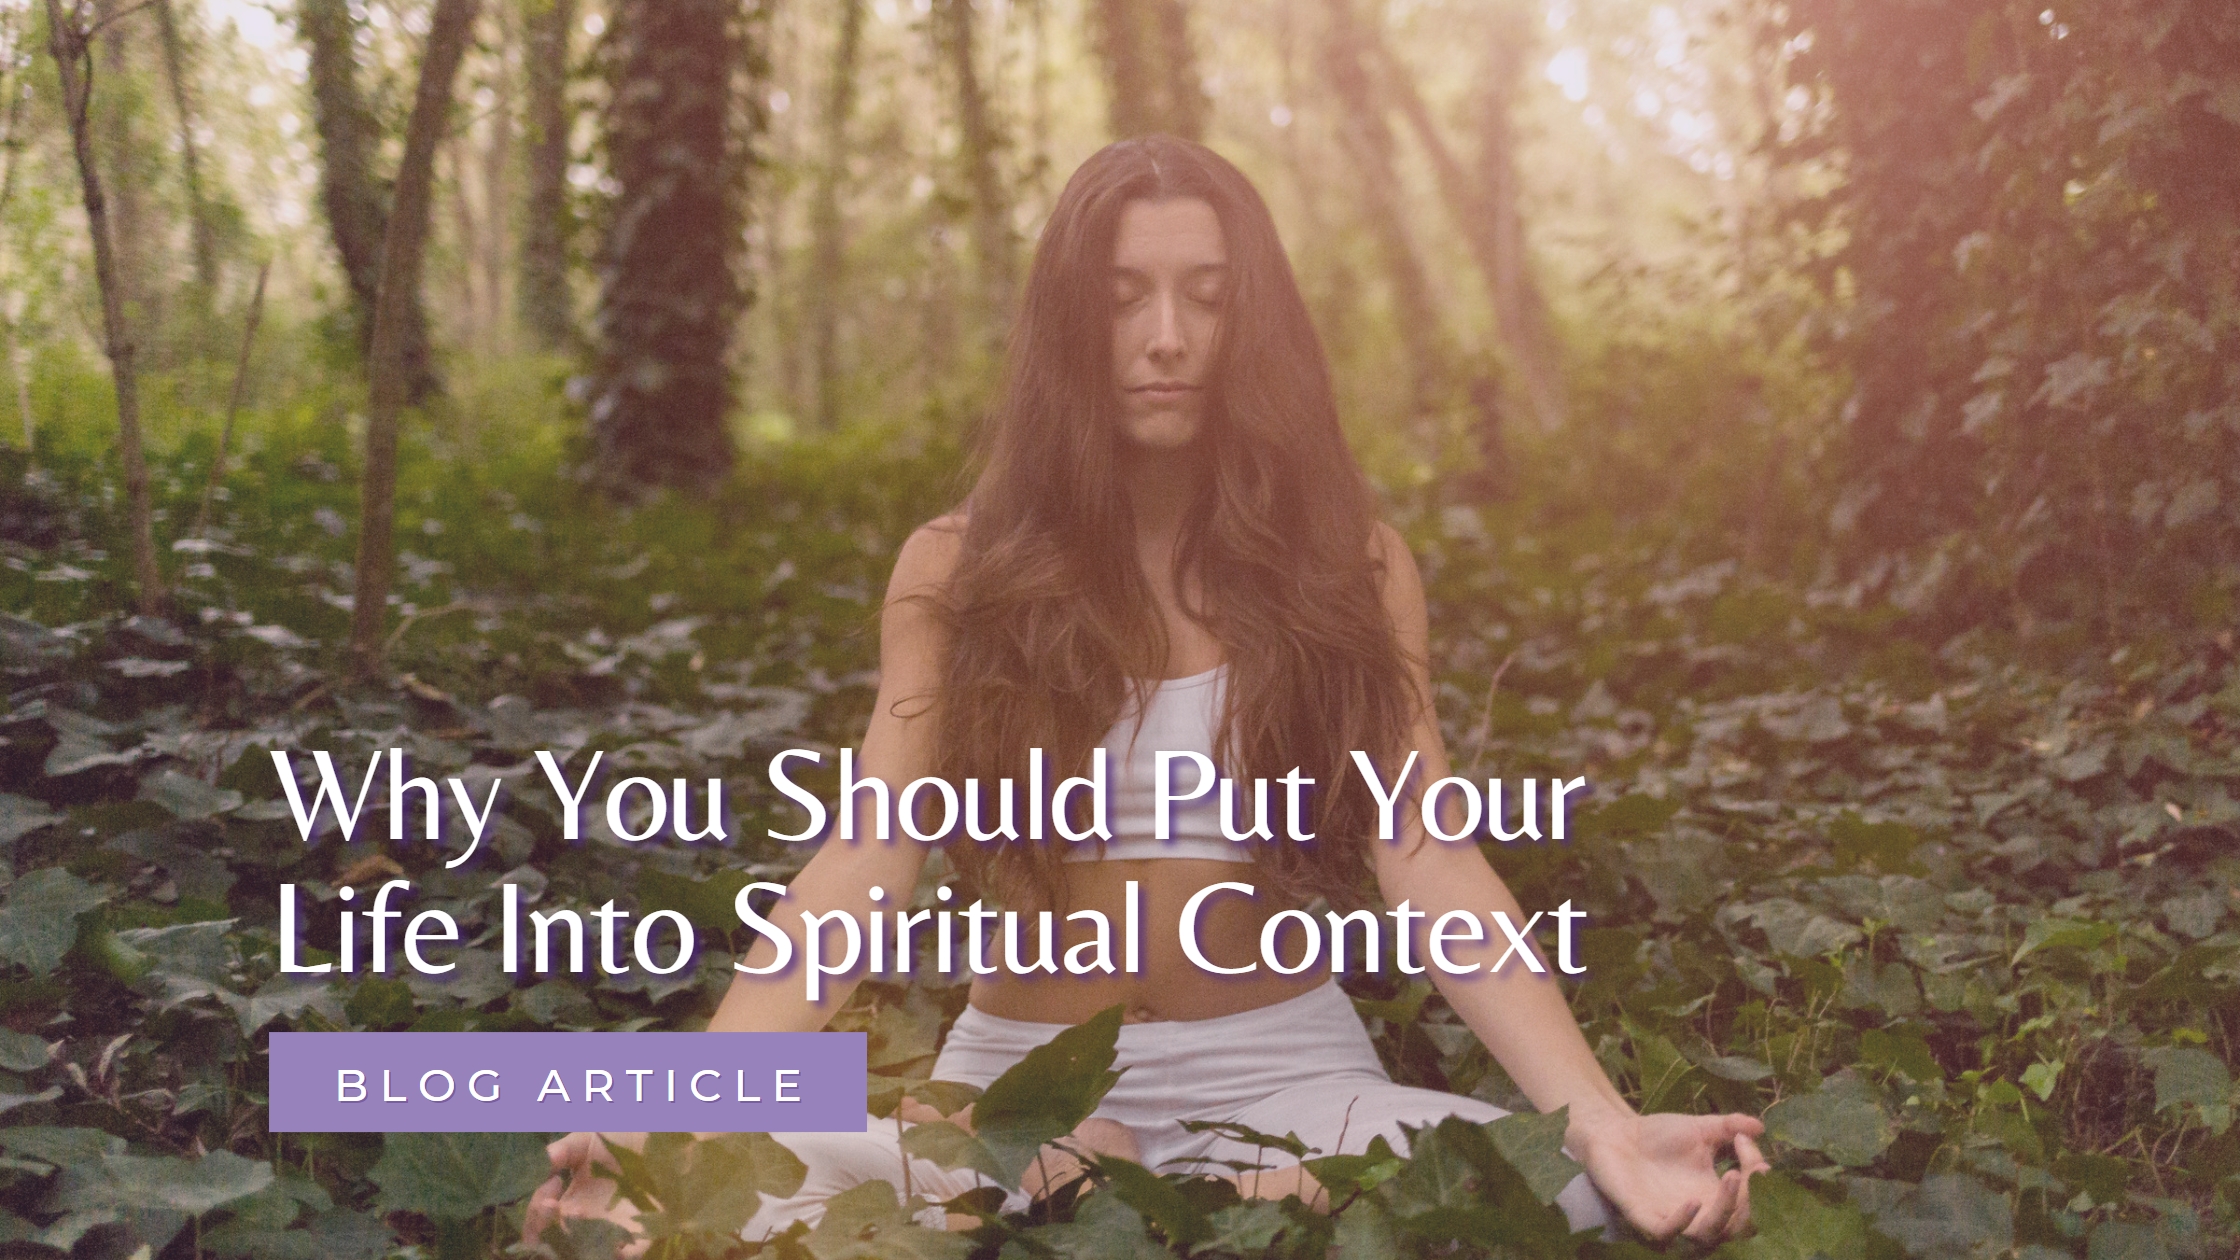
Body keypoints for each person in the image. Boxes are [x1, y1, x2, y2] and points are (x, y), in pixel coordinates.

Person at [526, 135, 1768, 1249]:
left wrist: (1600, 1122)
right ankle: (1080, 1180)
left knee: (1567, 1191)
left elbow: (1426, 860)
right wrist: (676, 1130)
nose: (1165, 337)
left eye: (1204, 298)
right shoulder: (956, 570)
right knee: (632, 1216)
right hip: (1017, 1092)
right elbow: (861, 866)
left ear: (1252, 326)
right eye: (1122, 301)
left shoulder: (1353, 564)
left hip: (1286, 1078)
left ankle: (1220, 1199)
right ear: (1068, 325)